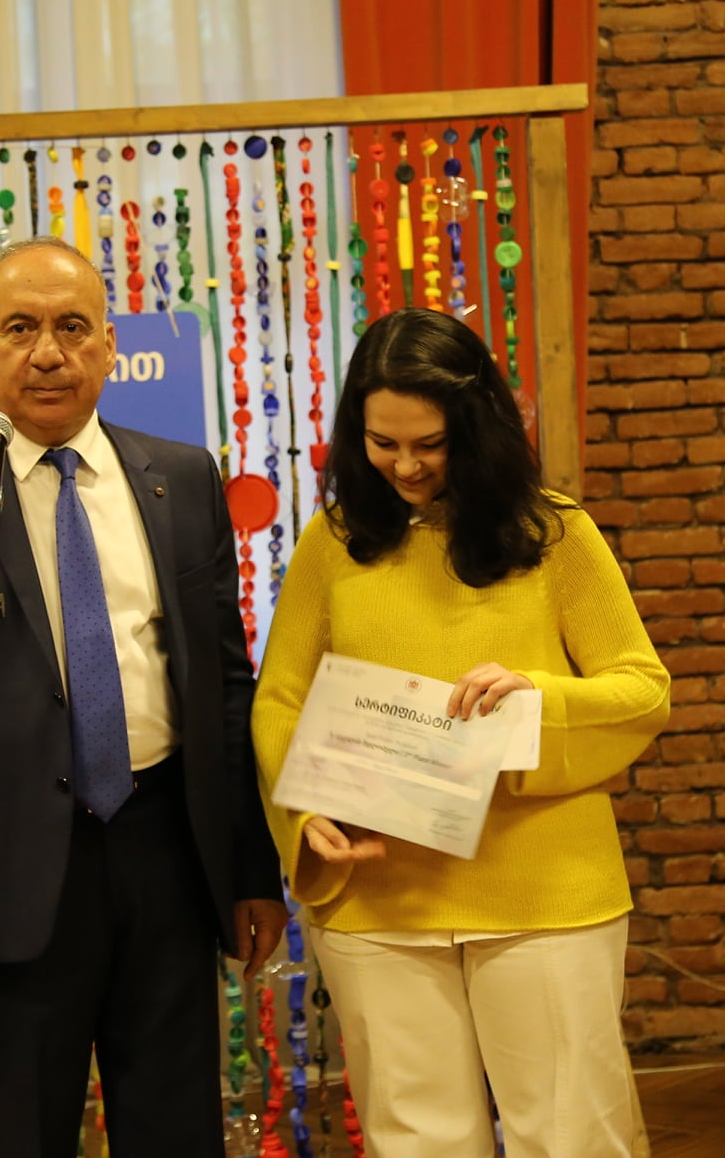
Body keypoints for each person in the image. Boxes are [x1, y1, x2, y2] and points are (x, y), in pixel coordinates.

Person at [0, 236, 286, 1158]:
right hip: (4, 879)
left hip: (167, 858)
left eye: (73, 326)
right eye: (21, 328)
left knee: (178, 1136)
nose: (49, 352)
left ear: (110, 345)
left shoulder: (182, 477)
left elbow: (223, 689)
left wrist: (252, 869)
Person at [252, 308, 670, 1158]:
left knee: (571, 1135)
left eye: (430, 444)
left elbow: (641, 689)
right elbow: (279, 701)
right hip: (380, 895)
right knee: (417, 1140)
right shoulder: (332, 543)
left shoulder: (555, 532)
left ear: (476, 429)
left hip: (544, 890)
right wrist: (305, 812)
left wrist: (534, 697)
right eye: (382, 442)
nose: (405, 465)